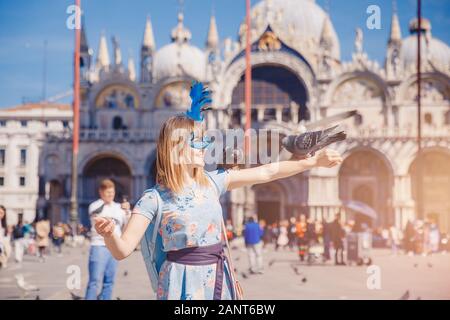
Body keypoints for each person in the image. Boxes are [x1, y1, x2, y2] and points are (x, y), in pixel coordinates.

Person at [92, 108, 342, 300]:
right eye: (196, 142)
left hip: (220, 277)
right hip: (181, 281)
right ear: (174, 149)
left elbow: (267, 173)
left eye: (204, 141)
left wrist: (310, 163)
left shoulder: (213, 182)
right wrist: (110, 233)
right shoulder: (153, 198)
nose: (204, 147)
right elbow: (122, 250)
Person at [84, 179, 131, 300]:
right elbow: (95, 218)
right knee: (94, 280)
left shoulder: (119, 208)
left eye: (112, 192)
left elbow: (127, 225)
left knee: (109, 281)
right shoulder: (95, 205)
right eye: (107, 192)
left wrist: (127, 211)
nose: (110, 195)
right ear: (101, 192)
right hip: (99, 246)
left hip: (114, 248)